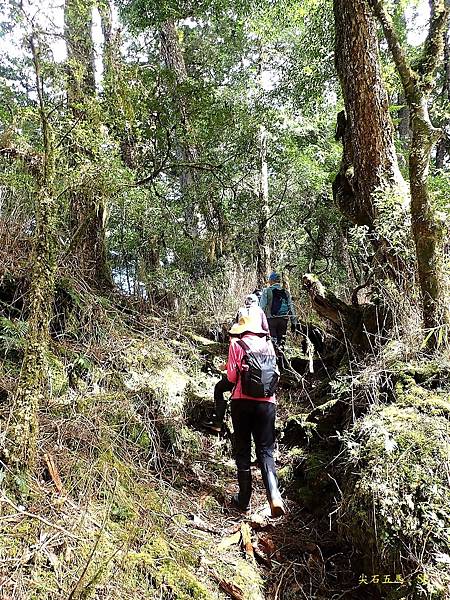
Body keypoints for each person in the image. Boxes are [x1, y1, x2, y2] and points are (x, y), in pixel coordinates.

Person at [226, 314, 285, 517]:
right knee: (266, 450)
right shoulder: (268, 344)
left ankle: (243, 499)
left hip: (241, 402)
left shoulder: (236, 344)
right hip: (267, 404)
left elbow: (232, 377)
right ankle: (274, 496)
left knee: (243, 449)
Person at [203, 293, 269, 433]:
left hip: (243, 382)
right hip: (264, 384)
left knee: (219, 388)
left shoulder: (240, 319)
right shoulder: (261, 319)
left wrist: (228, 367)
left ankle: (217, 422)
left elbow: (234, 372)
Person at [259, 272, 296, 348]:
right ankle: (281, 358)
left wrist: (259, 322)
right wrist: (294, 322)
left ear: (271, 280)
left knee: (272, 342)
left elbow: (261, 308)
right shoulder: (286, 292)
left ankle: (274, 358)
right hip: (284, 319)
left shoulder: (266, 291)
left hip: (271, 319)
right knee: (282, 341)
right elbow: (291, 307)